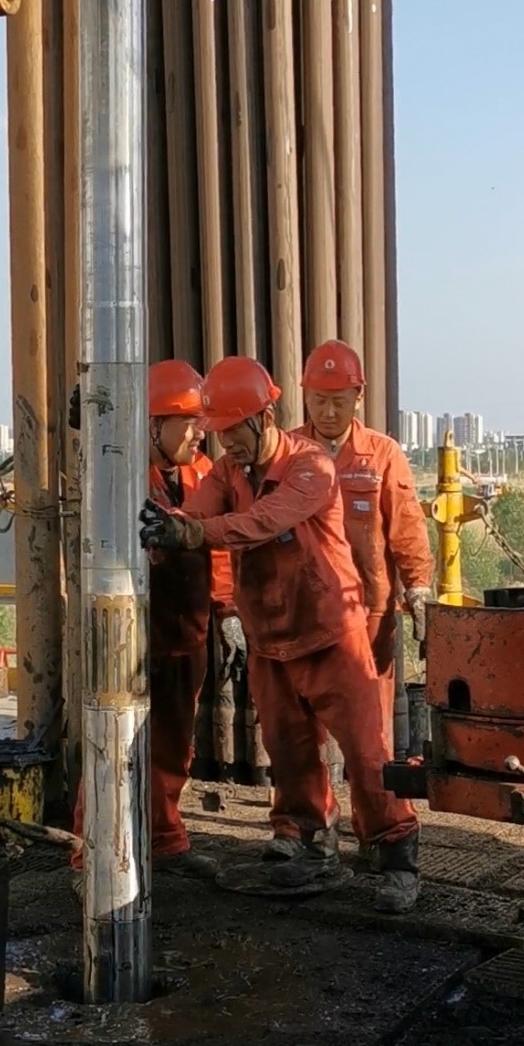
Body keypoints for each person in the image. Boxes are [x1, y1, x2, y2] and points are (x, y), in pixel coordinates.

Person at [140, 355, 420, 913]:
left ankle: (395, 857)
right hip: (270, 640)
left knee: (367, 754)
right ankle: (309, 841)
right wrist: (168, 527)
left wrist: (190, 533)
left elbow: (265, 520)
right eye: (217, 434)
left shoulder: (310, 465)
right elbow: (197, 511)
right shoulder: (227, 472)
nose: (225, 444)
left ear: (263, 419)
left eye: (233, 431)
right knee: (288, 753)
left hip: (330, 634)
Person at [71, 360, 240, 884]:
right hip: (131, 637)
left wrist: (227, 612)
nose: (199, 433)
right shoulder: (118, 475)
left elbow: (219, 549)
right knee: (113, 744)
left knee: (172, 747)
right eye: (187, 422)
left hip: (185, 633)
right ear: (152, 424)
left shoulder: (201, 474)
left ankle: (164, 840)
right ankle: (90, 856)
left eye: (200, 422)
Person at [296, 340, 434, 735]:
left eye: (338, 401)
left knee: (370, 721)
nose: (328, 412)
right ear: (305, 396)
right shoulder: (289, 453)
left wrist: (418, 590)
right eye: (319, 401)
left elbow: (407, 527)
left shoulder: (382, 455)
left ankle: (375, 777)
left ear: (359, 397)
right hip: (304, 610)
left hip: (370, 610)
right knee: (307, 720)